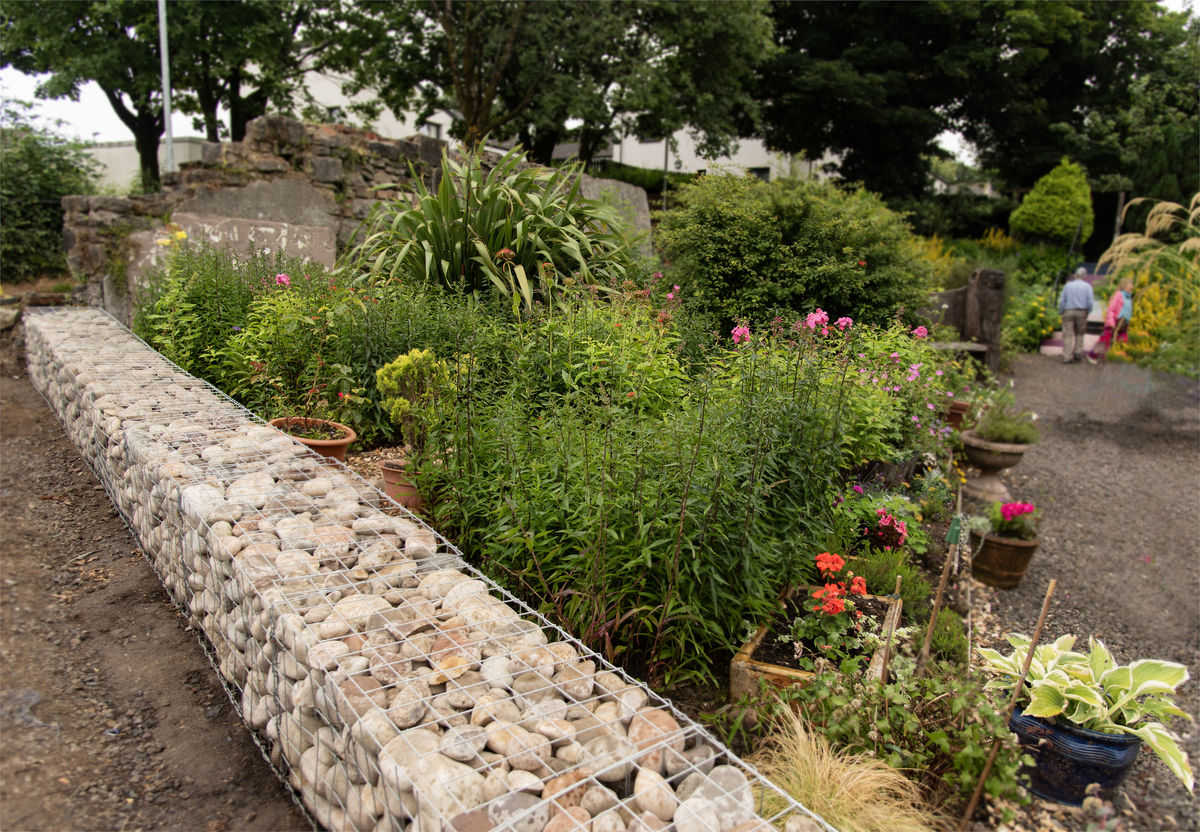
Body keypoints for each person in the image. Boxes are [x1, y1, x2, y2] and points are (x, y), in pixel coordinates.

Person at [1087, 278, 1133, 364]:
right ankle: (1092, 355)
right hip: (1115, 321)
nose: (1132, 287)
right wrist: (1111, 322)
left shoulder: (1129, 297)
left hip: (1123, 324)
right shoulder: (1118, 295)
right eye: (1130, 285)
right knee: (1104, 340)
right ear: (1124, 286)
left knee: (1121, 340)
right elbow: (1111, 309)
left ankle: (1111, 357)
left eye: (1132, 285)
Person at [1057, 268, 1094, 364]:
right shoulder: (1087, 286)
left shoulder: (1068, 286)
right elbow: (1090, 302)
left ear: (1075, 275)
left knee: (1068, 334)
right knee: (1080, 333)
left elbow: (1062, 300)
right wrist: (1088, 311)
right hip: (1081, 312)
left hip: (1068, 311)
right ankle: (1078, 353)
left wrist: (1061, 311)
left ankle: (1067, 356)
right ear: (1084, 276)